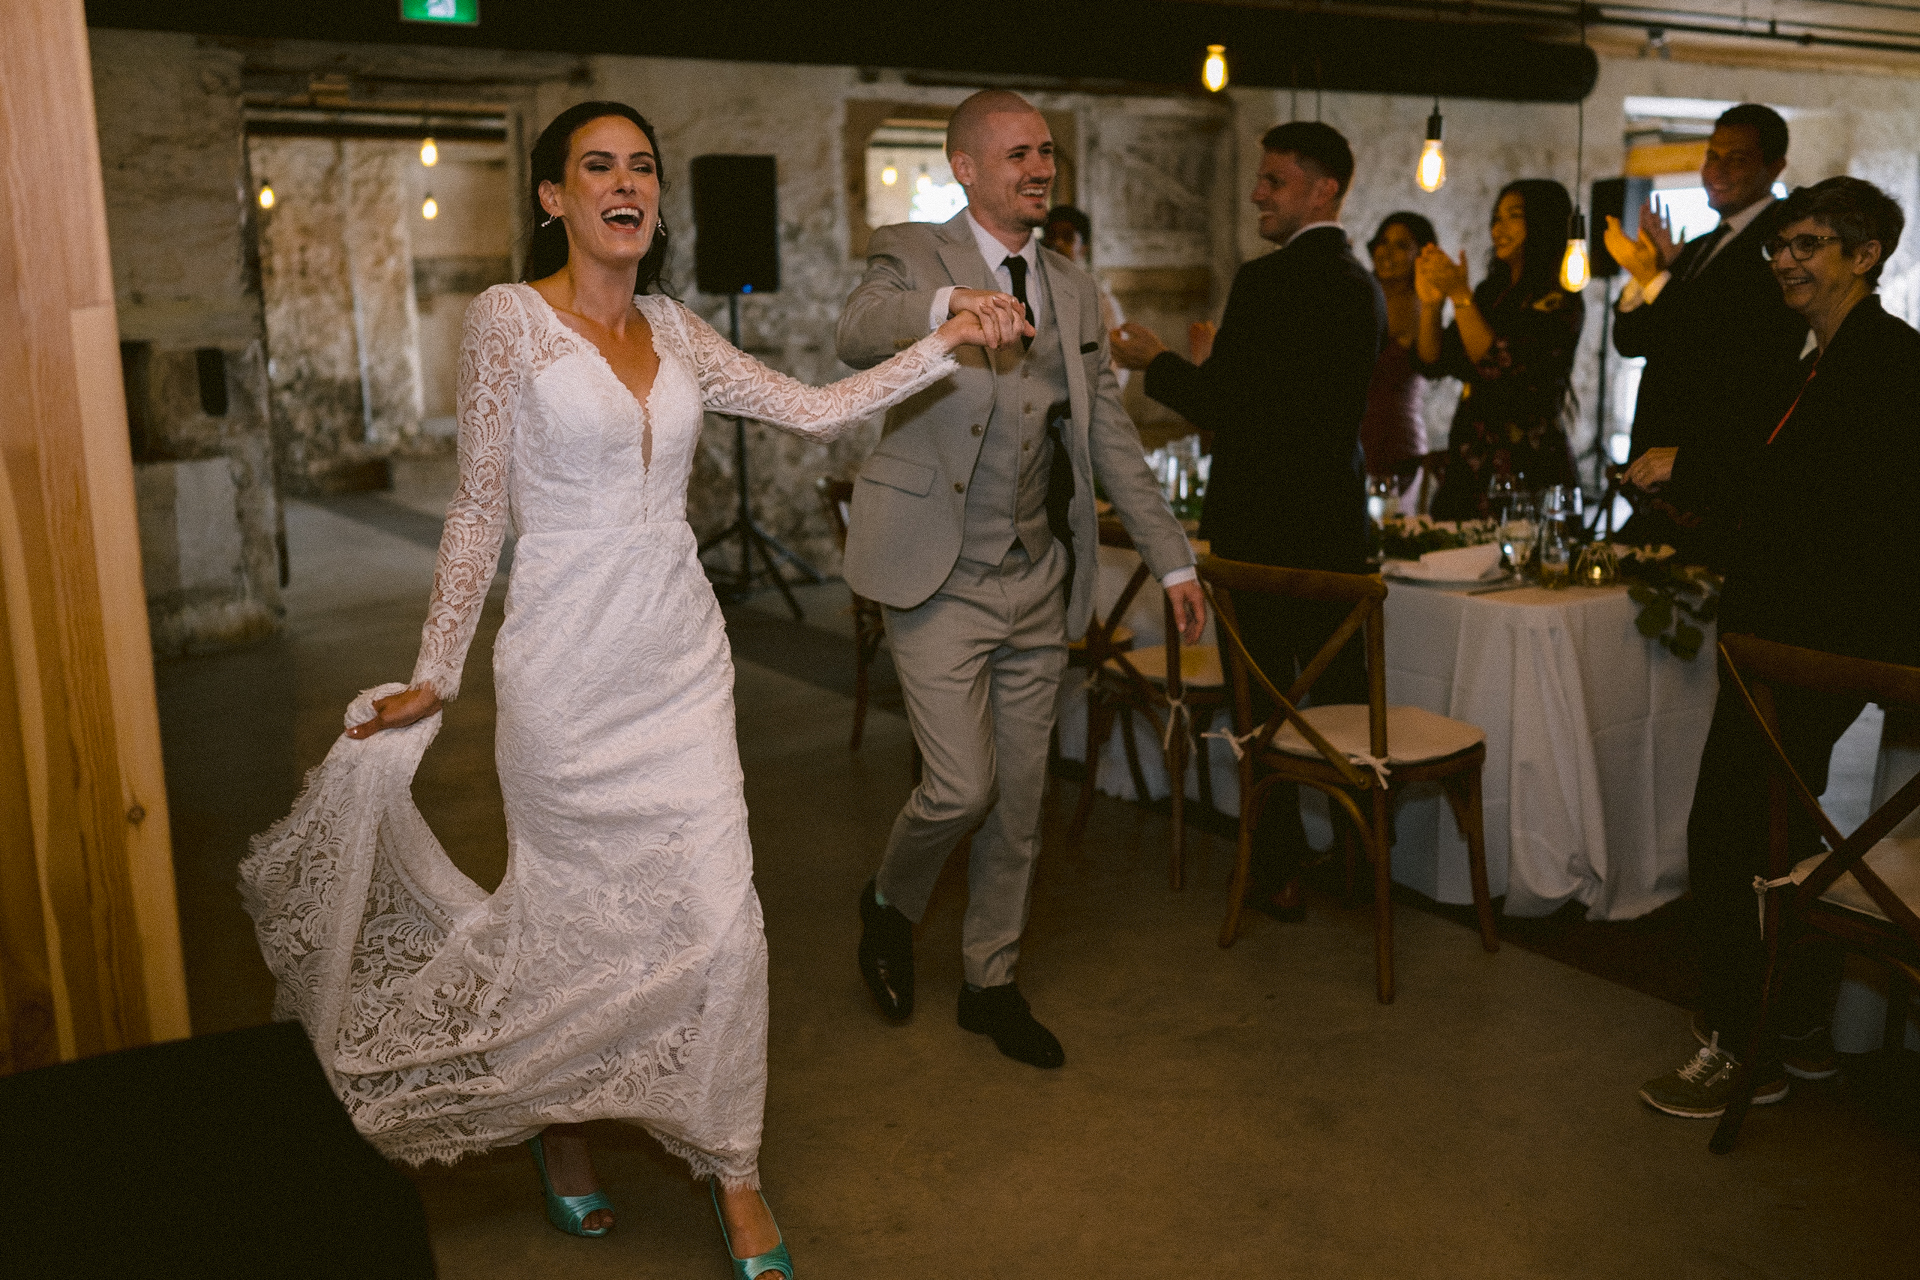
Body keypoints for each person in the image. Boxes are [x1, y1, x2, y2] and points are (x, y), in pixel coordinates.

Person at [240, 101, 1015, 1276]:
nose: (625, 183)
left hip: (680, 663)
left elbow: (810, 409)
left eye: (641, 166)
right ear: (554, 198)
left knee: (723, 926)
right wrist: (435, 673)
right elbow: (475, 507)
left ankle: (735, 1170)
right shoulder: (508, 321)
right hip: (563, 669)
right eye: (596, 166)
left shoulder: (677, 328)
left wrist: (942, 339)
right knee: (571, 924)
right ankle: (563, 1131)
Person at [837, 90, 1203, 1069]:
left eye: (1047, 152)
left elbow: (1108, 436)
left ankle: (990, 982)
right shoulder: (913, 253)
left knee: (1023, 796)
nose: (1040, 168)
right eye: (1017, 154)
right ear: (965, 165)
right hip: (937, 569)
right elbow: (857, 329)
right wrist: (943, 309)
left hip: (1040, 573)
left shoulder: (1076, 289)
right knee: (959, 787)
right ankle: (889, 899)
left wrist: (1171, 556)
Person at [1636, 176, 1920, 1118]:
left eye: (1808, 244)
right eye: (1781, 246)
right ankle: (1791, 1028)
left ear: (1864, 253)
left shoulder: (1887, 359)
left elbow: (1831, 497)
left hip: (1813, 642)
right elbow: (1791, 505)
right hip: (1782, 627)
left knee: (1727, 832)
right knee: (1775, 835)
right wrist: (1697, 509)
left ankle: (1734, 1047)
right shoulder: (1818, 357)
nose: (1787, 261)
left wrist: (1699, 469)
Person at [1110, 121, 1385, 918]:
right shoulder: (1361, 286)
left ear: (1323, 187)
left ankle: (1277, 871)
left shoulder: (1269, 282)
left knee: (1262, 710)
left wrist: (1152, 362)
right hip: (1336, 527)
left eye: (1274, 180)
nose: (1258, 194)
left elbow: (1225, 404)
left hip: (1261, 531)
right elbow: (1295, 410)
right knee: (1338, 703)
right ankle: (1363, 865)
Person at [1605, 104, 1808, 555]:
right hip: (1657, 466)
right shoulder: (1699, 247)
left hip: (1713, 463)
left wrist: (1655, 279)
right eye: (1711, 156)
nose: (1715, 170)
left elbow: (1717, 343)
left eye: (1735, 158)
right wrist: (1645, 278)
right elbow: (1633, 341)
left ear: (1774, 166)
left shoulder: (1781, 246)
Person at [1414, 180, 1585, 520]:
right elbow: (1434, 360)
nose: (1498, 228)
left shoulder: (1560, 298)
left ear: (1542, 223)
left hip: (1526, 461)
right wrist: (1432, 304)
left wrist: (1460, 296)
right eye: (1496, 217)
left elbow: (1497, 362)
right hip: (1471, 456)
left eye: (1513, 216)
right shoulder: (1491, 293)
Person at [1362, 211, 1437, 490]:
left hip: (1389, 440)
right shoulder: (1365, 295)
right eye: (1383, 241)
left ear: (1422, 255)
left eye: (1402, 245)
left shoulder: (1418, 305)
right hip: (1353, 435)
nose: (1387, 252)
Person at [1042, 204, 1130, 386]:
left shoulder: (1100, 300)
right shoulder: (1035, 290)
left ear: (1083, 248)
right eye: (1051, 236)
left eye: (1067, 237)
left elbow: (1117, 362)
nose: (1057, 244)